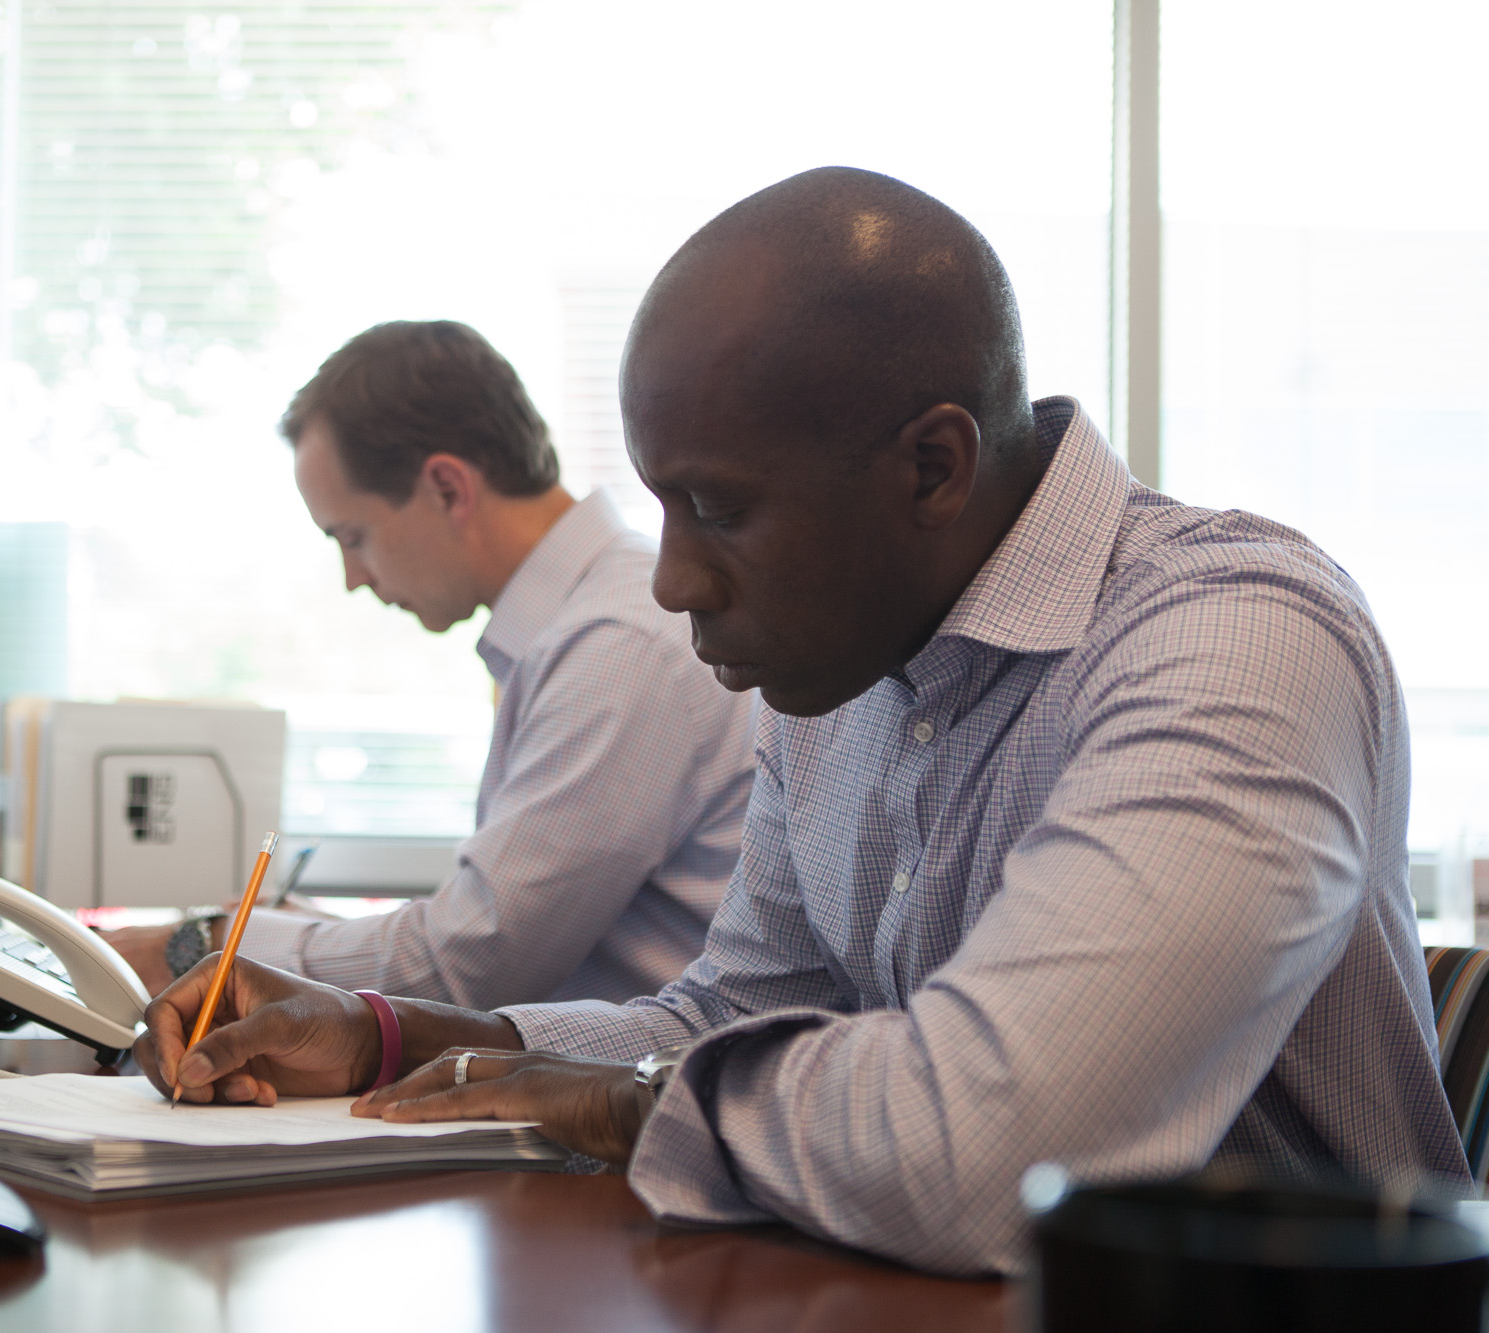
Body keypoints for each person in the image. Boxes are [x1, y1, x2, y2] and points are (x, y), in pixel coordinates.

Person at [130, 168, 1469, 1275]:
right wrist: (397, 1033)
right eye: (660, 505)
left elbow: (993, 1151)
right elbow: (737, 1014)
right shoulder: (841, 667)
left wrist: (631, 1101)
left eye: (717, 507)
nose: (671, 580)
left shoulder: (1234, 639)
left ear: (932, 466)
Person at [105, 320, 757, 1008]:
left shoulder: (615, 646)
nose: (354, 576)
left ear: (447, 488)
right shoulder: (576, 627)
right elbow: (482, 933)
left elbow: (470, 963)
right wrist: (294, 937)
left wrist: (208, 943)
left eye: (353, 536)